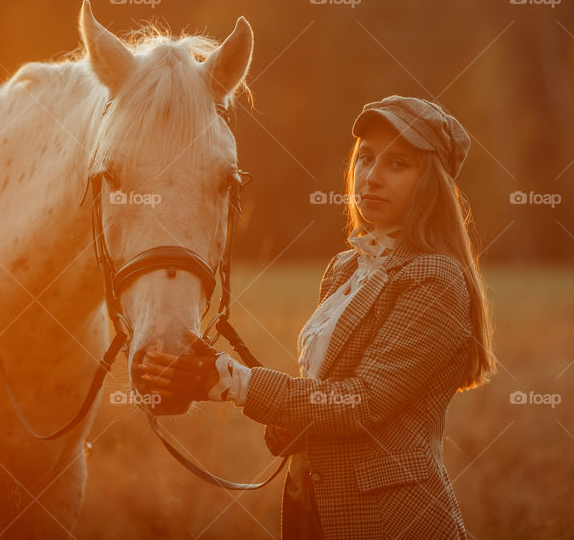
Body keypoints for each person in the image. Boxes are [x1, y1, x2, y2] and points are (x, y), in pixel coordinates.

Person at [138, 95, 496, 540]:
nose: (372, 177)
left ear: (432, 183)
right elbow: (325, 396)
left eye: (398, 164)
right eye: (365, 158)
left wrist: (229, 380)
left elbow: (362, 402)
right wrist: (289, 427)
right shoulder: (346, 269)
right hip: (311, 513)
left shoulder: (434, 279)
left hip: (392, 521)